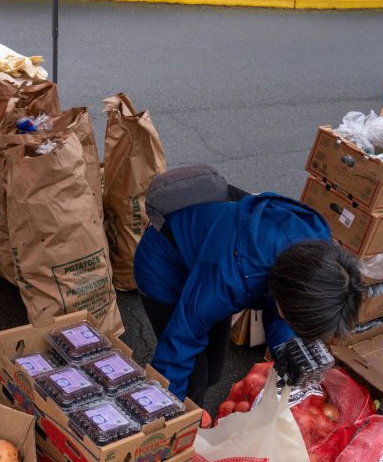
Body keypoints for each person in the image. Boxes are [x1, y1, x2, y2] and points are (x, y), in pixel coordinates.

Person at [134, 167, 363, 407]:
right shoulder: (234, 274)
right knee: (192, 377)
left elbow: (281, 304)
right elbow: (179, 342)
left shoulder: (314, 257)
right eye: (293, 321)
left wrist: (285, 345)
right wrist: (165, 415)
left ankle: (192, 410)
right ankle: (187, 420)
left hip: (211, 265)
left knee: (212, 369)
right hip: (164, 265)